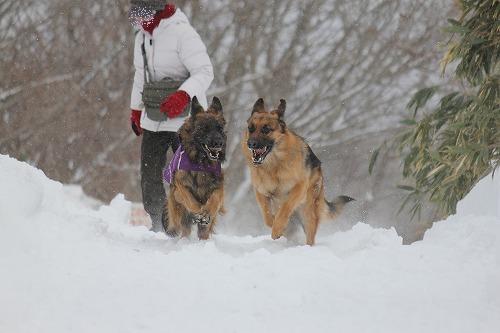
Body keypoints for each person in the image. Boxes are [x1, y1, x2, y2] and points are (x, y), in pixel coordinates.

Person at [128, 0, 214, 232]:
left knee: (191, 176)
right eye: (134, 13)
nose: (136, 19)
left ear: (156, 10)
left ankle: (197, 225)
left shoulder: (182, 33)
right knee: (149, 176)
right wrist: (136, 109)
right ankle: (162, 226)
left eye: (141, 13)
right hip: (154, 118)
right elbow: (140, 75)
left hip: (186, 122)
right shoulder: (141, 38)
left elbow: (205, 71)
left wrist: (184, 95)